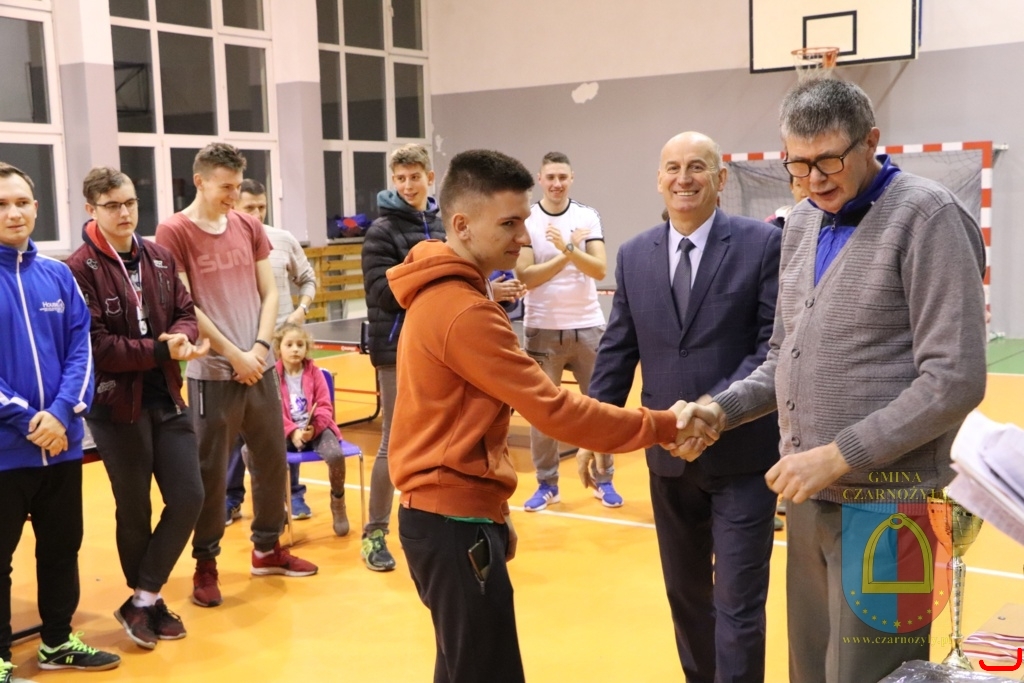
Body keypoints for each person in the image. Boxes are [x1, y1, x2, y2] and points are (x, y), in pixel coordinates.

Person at [681, 77, 988, 683]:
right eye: (798, 164)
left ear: (871, 141)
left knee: (870, 676)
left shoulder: (928, 217)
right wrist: (721, 409)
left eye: (829, 160)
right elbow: (782, 355)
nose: (814, 179)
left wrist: (839, 455)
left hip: (894, 505)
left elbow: (954, 379)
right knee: (811, 671)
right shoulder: (800, 223)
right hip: (810, 497)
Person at [386, 148, 716, 683]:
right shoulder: (464, 312)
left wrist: (494, 511)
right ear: (462, 225)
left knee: (462, 668)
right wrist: (663, 424)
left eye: (525, 221)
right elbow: (556, 410)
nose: (524, 237)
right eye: (510, 224)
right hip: (451, 521)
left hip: (452, 516)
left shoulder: (447, 294)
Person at [577, 132, 781, 682]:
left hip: (742, 456)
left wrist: (712, 410)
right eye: (672, 167)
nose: (683, 178)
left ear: (720, 179)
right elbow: (618, 350)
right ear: (659, 179)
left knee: (738, 604)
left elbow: (770, 347)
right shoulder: (633, 255)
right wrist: (596, 430)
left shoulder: (761, 244)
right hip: (666, 459)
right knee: (686, 597)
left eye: (697, 167)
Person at [155, 143, 317, 609]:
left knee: (271, 462)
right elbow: (186, 305)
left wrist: (260, 349)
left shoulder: (247, 226)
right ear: (200, 181)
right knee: (209, 474)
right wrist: (234, 356)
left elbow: (270, 292)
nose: (233, 196)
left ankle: (267, 549)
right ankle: (205, 563)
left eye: (237, 186)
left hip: (259, 366)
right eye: (225, 187)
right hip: (213, 373)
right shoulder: (174, 230)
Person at [67, 167, 208, 650]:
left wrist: (181, 337)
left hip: (166, 394)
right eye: (112, 206)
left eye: (129, 202)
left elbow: (186, 312)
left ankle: (142, 599)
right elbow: (99, 347)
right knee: (135, 508)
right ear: (92, 209)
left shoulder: (160, 257)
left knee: (189, 497)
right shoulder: (78, 269)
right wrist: (161, 349)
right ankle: (147, 599)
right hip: (115, 405)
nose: (125, 212)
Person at [0, 162, 120, 680]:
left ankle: (56, 641)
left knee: (60, 549)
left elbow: (82, 351)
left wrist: (61, 412)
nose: (13, 213)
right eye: (1, 205)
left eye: (21, 202)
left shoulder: (58, 275)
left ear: (36, 207)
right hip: (6, 452)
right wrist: (30, 420)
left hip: (61, 445)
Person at [359, 143, 446, 571]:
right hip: (396, 348)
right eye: (400, 179)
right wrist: (438, 277)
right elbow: (383, 292)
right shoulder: (381, 231)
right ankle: (374, 533)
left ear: (430, 177)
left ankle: (437, 523)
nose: (408, 185)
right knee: (392, 444)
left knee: (442, 437)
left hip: (441, 347)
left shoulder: (444, 224)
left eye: (415, 177)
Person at [515, 152, 618, 511]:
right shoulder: (528, 220)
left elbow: (599, 269)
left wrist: (568, 248)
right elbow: (527, 276)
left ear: (571, 178)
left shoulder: (587, 216)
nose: (557, 183)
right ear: (540, 179)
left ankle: (604, 479)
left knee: (600, 408)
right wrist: (568, 253)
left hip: (588, 326)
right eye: (550, 177)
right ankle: (547, 484)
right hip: (542, 330)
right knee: (542, 412)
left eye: (562, 177)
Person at [224, 179, 325, 526]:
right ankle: (230, 498)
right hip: (240, 350)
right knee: (236, 429)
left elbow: (309, 279)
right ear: (234, 206)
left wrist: (301, 310)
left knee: (287, 422)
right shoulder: (224, 246)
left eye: (261, 207)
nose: (256, 213)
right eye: (249, 207)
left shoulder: (282, 239)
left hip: (279, 354)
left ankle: (292, 495)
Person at [272, 323, 347, 532]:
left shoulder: (315, 373)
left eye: (300, 344)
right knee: (262, 455)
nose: (295, 349)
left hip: (317, 429)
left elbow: (324, 406)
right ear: (278, 348)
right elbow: (272, 411)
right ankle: (278, 508)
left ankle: (338, 502)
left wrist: (313, 428)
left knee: (335, 456)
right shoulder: (272, 376)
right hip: (286, 432)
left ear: (307, 348)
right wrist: (292, 431)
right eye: (289, 345)